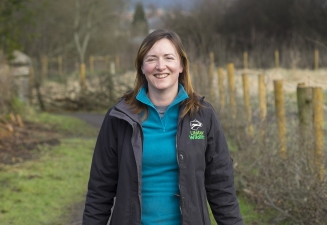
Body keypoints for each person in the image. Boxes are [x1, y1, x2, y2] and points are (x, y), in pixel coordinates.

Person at [83, 29, 243, 224]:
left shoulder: (203, 115)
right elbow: (100, 189)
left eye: (168, 58)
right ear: (142, 67)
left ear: (181, 65)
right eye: (151, 59)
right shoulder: (120, 117)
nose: (160, 66)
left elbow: (221, 186)